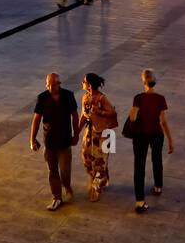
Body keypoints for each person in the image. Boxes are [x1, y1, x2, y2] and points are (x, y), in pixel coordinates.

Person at [125, 69, 173, 214]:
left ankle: (140, 202)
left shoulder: (138, 98)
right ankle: (158, 186)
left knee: (139, 167)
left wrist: (133, 112)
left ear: (143, 81)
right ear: (154, 81)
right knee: (157, 159)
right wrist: (170, 140)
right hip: (157, 134)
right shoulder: (160, 98)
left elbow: (132, 117)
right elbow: (163, 122)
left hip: (140, 136)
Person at [30, 73, 78, 210]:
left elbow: (75, 116)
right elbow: (36, 119)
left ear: (59, 84)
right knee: (52, 171)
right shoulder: (43, 98)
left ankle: (67, 186)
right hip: (49, 141)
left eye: (54, 84)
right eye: (49, 85)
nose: (51, 87)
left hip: (65, 140)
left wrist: (76, 135)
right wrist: (32, 139)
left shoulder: (68, 96)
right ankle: (57, 196)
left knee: (65, 171)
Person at [76, 73, 117, 201]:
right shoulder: (85, 97)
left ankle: (96, 188)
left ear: (89, 84)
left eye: (84, 81)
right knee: (86, 157)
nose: (82, 83)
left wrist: (99, 112)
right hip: (89, 133)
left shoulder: (101, 98)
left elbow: (112, 112)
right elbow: (83, 115)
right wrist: (76, 132)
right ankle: (97, 177)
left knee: (100, 161)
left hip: (104, 134)